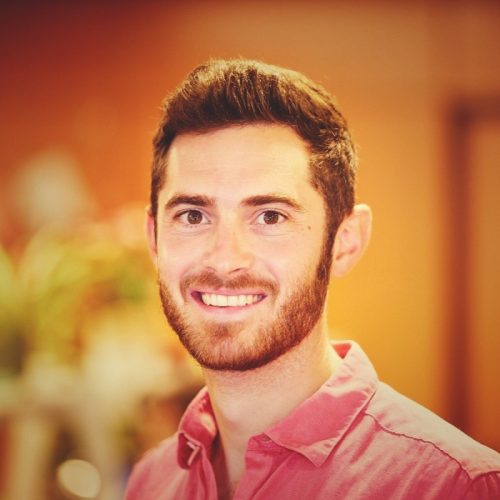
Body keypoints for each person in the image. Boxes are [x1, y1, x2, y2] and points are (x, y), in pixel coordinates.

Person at [125, 59, 500, 499]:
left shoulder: (457, 487)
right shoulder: (150, 482)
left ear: (345, 243)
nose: (225, 260)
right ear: (154, 239)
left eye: (270, 216)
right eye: (193, 216)